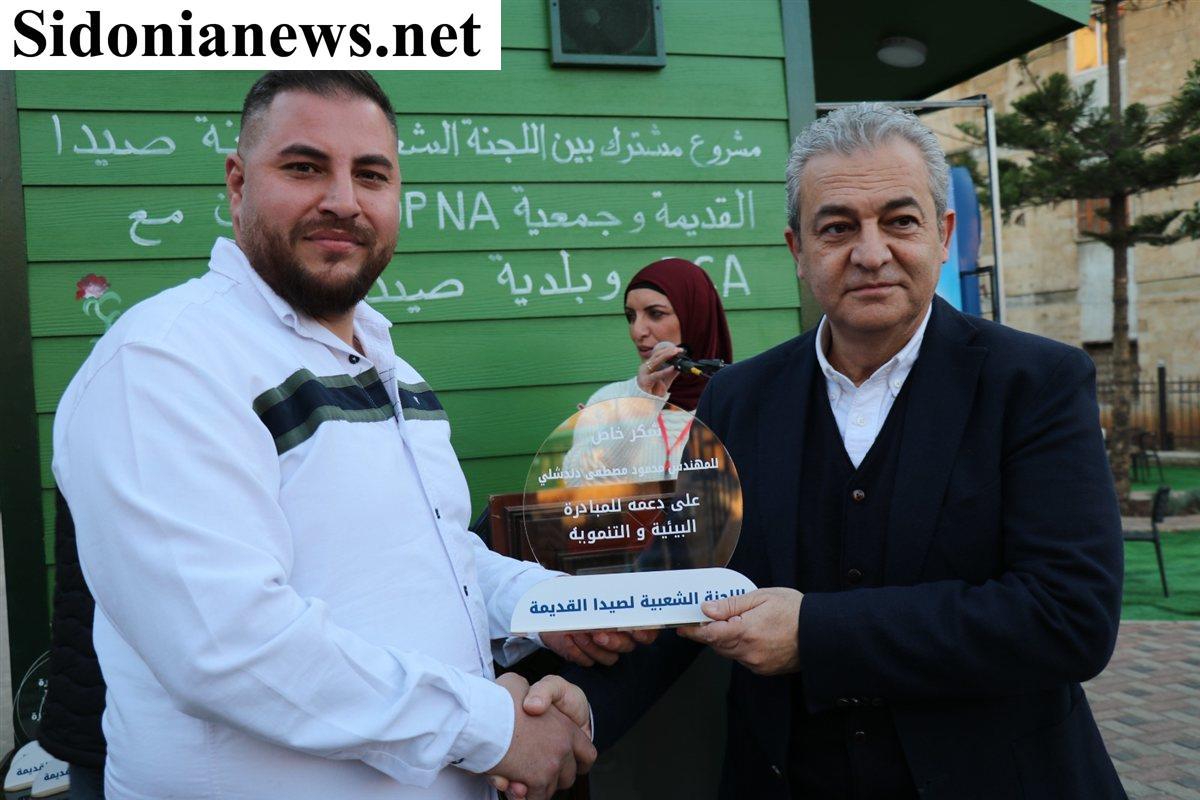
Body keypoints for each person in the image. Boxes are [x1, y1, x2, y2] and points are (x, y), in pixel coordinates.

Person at [51, 70, 637, 800]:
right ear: (237, 184)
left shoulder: (390, 369)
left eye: (371, 174)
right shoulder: (164, 361)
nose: (342, 200)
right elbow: (227, 646)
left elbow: (427, 559)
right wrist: (490, 727)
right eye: (304, 167)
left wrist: (548, 606)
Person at [534, 103, 1126, 799]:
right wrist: (584, 705)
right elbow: (687, 584)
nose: (871, 253)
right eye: (838, 227)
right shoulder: (739, 400)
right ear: (798, 250)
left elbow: (1069, 617)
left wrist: (815, 633)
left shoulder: (1034, 384)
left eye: (899, 221)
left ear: (943, 235)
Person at [564, 259, 734, 482]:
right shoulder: (609, 400)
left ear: (697, 317)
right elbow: (578, 484)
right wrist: (639, 405)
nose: (637, 331)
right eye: (631, 316)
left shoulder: (733, 401)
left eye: (655, 313)